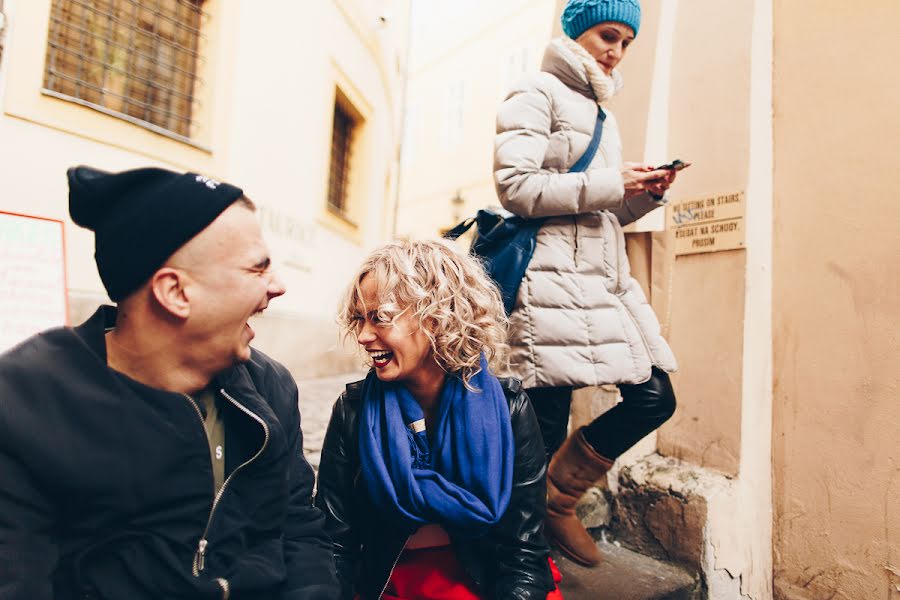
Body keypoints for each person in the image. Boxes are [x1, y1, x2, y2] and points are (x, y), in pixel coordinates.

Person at [0, 166, 338, 599]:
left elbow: (298, 531)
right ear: (175, 292)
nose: (278, 286)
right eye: (258, 269)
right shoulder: (28, 405)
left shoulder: (269, 387)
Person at [493, 0, 683, 567]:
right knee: (543, 428)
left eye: (627, 41)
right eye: (607, 34)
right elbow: (516, 188)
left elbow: (595, 213)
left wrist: (639, 198)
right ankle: (521, 557)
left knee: (655, 396)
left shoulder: (603, 114)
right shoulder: (535, 91)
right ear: (575, 30)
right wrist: (607, 182)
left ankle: (557, 499)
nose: (616, 50)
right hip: (548, 285)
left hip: (599, 286)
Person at [315, 239, 562, 600]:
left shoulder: (510, 410)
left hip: (486, 575)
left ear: (438, 316)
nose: (365, 336)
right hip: (390, 578)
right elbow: (335, 543)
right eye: (359, 320)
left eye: (380, 318)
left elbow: (523, 552)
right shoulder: (353, 410)